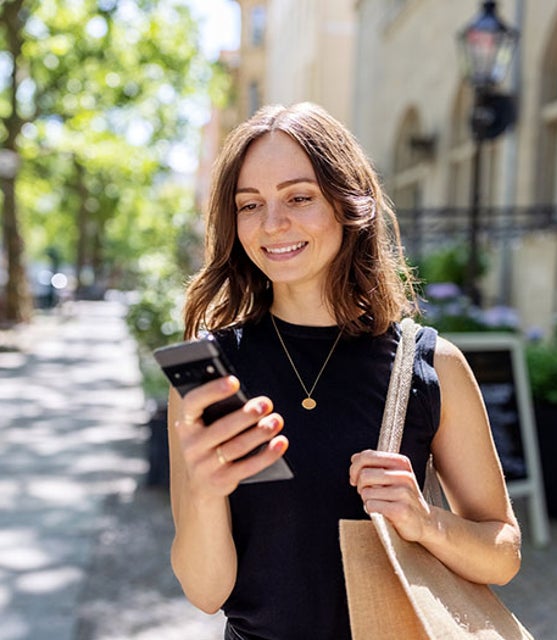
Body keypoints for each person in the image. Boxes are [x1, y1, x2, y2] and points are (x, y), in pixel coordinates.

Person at [168, 102, 521, 640]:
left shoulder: (430, 364)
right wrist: (206, 491)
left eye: (299, 197)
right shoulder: (210, 373)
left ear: (349, 203)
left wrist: (426, 521)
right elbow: (206, 592)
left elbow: (503, 554)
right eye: (249, 204)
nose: (272, 223)